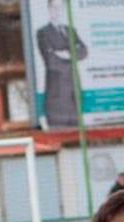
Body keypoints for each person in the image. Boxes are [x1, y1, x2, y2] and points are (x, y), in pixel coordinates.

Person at [35, 0, 87, 129]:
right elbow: (51, 61)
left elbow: (84, 51)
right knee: (59, 135)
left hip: (74, 96)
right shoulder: (43, 32)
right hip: (57, 98)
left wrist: (66, 54)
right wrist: (73, 56)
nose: (57, 11)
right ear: (49, 9)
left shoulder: (71, 30)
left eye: (60, 7)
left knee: (79, 137)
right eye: (54, 7)